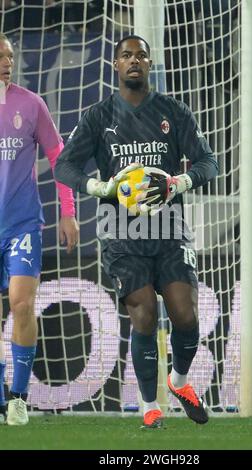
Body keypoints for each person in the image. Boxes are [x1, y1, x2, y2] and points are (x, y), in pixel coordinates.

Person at [55, 35, 218, 428]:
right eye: (126, 55)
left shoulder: (173, 112)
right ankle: (149, 407)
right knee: (143, 312)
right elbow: (64, 166)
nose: (134, 61)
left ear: (149, 63)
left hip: (169, 230)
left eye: (141, 55)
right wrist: (99, 187)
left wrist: (177, 183)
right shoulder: (99, 116)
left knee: (186, 314)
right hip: (121, 234)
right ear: (115, 65)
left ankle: (179, 382)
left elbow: (208, 163)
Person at [0, 33, 79, 425]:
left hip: (23, 224)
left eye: (10, 56)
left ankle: (18, 396)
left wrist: (68, 212)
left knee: (22, 303)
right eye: (0, 56)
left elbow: (58, 156)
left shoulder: (30, 104)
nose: (7, 62)